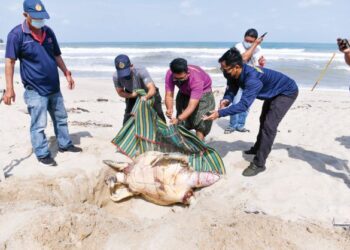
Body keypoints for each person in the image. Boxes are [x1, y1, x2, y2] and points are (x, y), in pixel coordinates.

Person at [3, 0, 82, 167]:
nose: (40, 20)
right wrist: (9, 89)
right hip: (35, 89)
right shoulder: (16, 35)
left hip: (54, 86)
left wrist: (66, 73)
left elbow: (56, 55)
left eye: (42, 17)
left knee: (61, 118)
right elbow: (10, 62)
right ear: (26, 15)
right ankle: (42, 153)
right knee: (39, 124)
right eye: (36, 17)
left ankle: (65, 144)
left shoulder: (48, 32)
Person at [203, 48, 298, 177]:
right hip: (273, 91)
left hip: (286, 92)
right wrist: (226, 100)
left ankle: (259, 164)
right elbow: (232, 88)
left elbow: (243, 105)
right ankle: (258, 148)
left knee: (269, 126)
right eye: (222, 68)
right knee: (263, 120)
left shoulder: (252, 79)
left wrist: (220, 113)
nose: (223, 72)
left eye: (225, 69)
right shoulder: (232, 73)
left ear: (236, 67)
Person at [225, 28, 266, 134]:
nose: (248, 43)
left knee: (246, 104)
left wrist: (261, 64)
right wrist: (254, 45)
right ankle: (232, 125)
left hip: (250, 79)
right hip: (237, 79)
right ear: (244, 38)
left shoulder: (259, 48)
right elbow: (243, 59)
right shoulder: (237, 47)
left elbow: (256, 65)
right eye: (246, 41)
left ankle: (240, 125)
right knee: (236, 102)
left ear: (256, 40)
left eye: (251, 42)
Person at [165, 58, 215, 141]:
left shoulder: (196, 79)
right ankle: (183, 143)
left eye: (181, 78)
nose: (179, 81)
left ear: (187, 72)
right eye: (176, 79)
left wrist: (178, 119)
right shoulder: (170, 74)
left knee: (200, 122)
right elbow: (169, 95)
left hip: (203, 93)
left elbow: (192, 105)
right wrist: (169, 108)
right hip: (184, 92)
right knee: (182, 120)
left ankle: (200, 147)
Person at [113, 54, 166, 125]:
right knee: (128, 118)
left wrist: (146, 97)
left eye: (126, 72)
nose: (125, 76)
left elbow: (152, 88)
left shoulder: (141, 71)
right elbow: (120, 92)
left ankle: (164, 135)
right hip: (131, 93)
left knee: (158, 114)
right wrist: (132, 95)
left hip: (148, 92)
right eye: (122, 73)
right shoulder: (116, 76)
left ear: (131, 66)